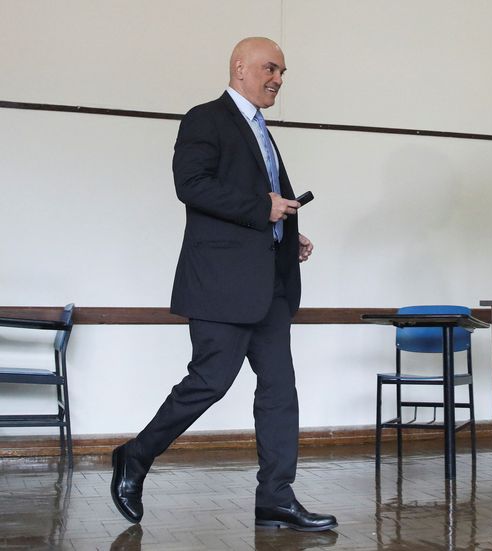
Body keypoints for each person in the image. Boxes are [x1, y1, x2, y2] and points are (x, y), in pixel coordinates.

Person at [110, 37, 337, 532]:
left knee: (280, 391)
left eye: (283, 72)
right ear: (240, 68)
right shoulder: (204, 118)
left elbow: (262, 202)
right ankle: (134, 456)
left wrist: (285, 232)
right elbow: (190, 185)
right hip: (221, 286)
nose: (278, 79)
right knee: (210, 381)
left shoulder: (262, 132)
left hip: (270, 285)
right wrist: (264, 210)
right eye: (270, 68)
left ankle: (275, 496)